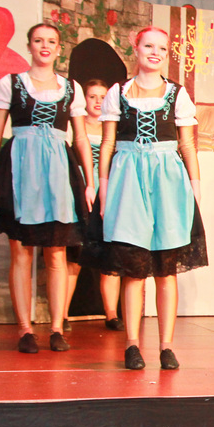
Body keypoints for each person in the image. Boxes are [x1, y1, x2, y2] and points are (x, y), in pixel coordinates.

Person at [97, 26, 207, 370]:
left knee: (165, 268)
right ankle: (132, 344)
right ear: (137, 49)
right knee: (133, 268)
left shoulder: (177, 94)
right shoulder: (118, 93)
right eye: (148, 46)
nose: (155, 52)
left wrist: (195, 186)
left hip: (167, 179)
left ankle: (166, 346)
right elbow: (108, 143)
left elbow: (187, 144)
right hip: (128, 177)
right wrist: (103, 186)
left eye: (161, 47)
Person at [0, 23, 95, 354]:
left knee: (57, 251)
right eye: (38, 40)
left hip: (58, 174)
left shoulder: (70, 88)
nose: (44, 46)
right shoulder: (11, 84)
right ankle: (25, 330)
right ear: (29, 45)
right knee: (21, 251)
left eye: (51, 41)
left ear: (59, 48)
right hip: (20, 171)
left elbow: (81, 138)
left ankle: (57, 328)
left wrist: (90, 182)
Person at [63, 79, 123, 332]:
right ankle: (62, 314)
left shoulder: (115, 129)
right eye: (92, 97)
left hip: (108, 193)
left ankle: (111, 314)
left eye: (102, 97)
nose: (98, 102)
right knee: (74, 257)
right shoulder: (73, 128)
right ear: (84, 100)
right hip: (80, 193)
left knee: (110, 256)